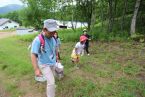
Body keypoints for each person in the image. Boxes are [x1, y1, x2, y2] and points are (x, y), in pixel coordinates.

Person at [31, 19, 59, 97]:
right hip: (44, 64)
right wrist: (36, 69)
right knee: (52, 82)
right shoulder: (38, 40)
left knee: (51, 79)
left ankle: (51, 85)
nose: (53, 33)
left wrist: (56, 56)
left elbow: (54, 48)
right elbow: (33, 54)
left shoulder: (53, 38)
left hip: (52, 62)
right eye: (51, 32)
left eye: (54, 31)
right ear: (44, 29)